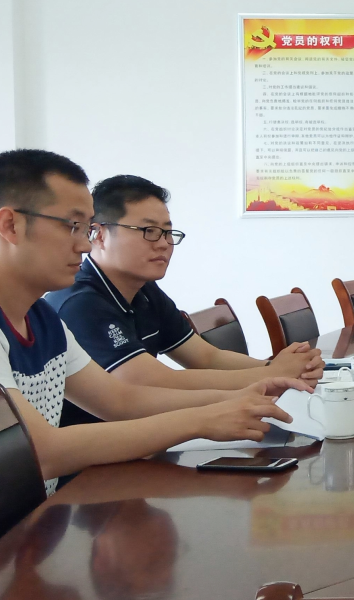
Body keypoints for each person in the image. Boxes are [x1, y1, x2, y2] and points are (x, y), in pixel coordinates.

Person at [0, 150, 307, 600]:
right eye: (72, 226)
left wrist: (239, 399)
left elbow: (119, 399)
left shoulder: (39, 315)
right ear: (10, 225)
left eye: (88, 226)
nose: (84, 243)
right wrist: (202, 419)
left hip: (22, 536)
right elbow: (38, 453)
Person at [45, 175, 324, 426]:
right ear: (99, 234)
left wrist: (275, 370)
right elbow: (152, 380)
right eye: (148, 231)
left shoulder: (145, 290)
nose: (163, 243)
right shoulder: (80, 303)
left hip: (142, 436)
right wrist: (272, 375)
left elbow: (206, 357)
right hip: (97, 454)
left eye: (167, 232)